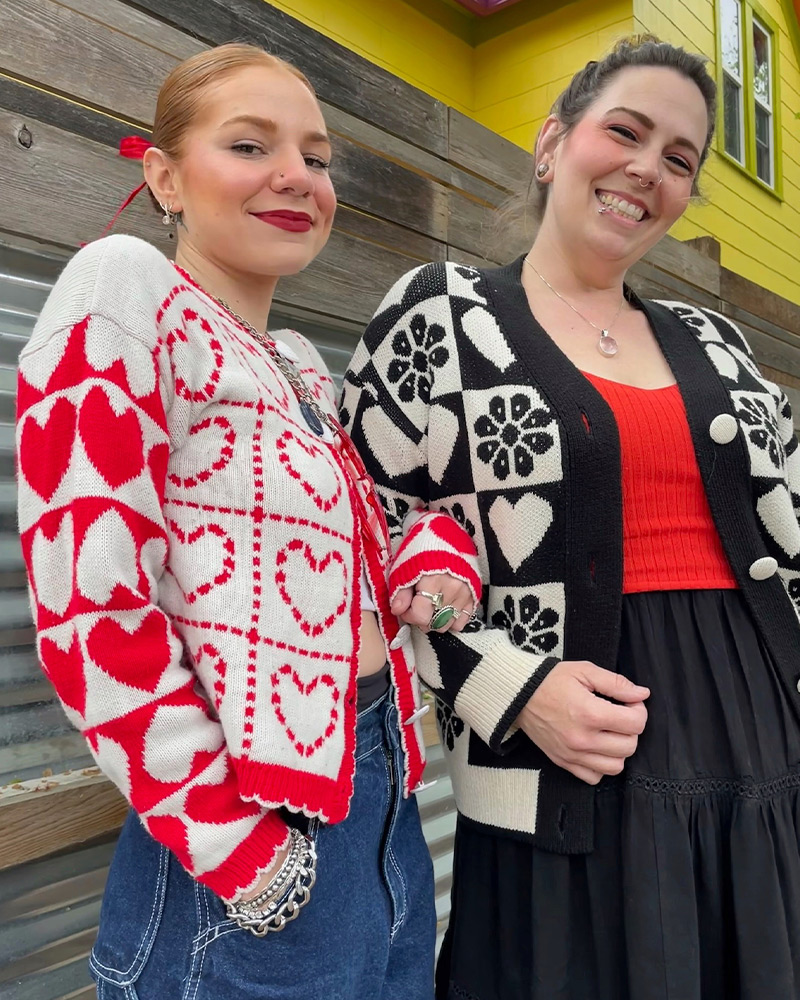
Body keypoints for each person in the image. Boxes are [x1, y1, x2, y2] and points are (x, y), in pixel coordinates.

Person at [15, 43, 482, 1000]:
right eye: (248, 144)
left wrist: (436, 555)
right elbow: (89, 608)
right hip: (249, 842)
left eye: (316, 157)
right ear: (163, 175)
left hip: (381, 808)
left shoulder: (301, 364)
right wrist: (237, 848)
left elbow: (363, 552)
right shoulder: (125, 288)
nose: (295, 178)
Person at [341, 34, 800, 1000]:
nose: (648, 168)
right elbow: (363, 538)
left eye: (680, 159)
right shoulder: (442, 315)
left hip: (763, 735)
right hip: (570, 759)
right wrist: (505, 686)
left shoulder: (712, 338)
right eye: (624, 132)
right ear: (552, 142)